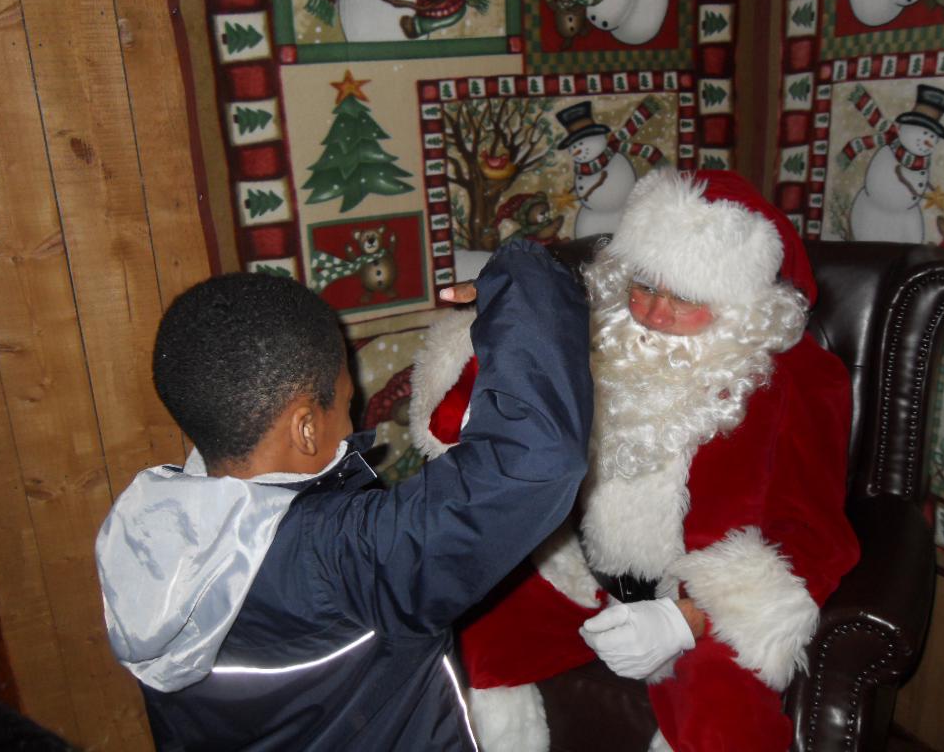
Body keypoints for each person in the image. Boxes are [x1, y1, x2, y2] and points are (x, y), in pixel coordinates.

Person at [408, 168, 861, 751]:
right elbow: (453, 426)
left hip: (700, 600)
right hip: (585, 575)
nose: (654, 314)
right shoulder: (595, 336)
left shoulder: (800, 381)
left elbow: (813, 536)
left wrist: (684, 619)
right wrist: (502, 319)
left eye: (686, 297)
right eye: (644, 286)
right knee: (467, 639)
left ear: (739, 302)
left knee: (721, 722)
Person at [94, 239, 593, 752]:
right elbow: (537, 460)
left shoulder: (149, 533)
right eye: (347, 403)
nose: (352, 424)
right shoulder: (338, 561)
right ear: (306, 428)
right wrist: (527, 274)